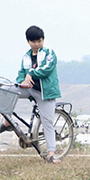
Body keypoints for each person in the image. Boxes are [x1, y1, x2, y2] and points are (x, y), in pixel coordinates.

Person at [15, 25, 62, 163]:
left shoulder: (49, 53)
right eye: (33, 41)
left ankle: (51, 153)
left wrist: (31, 73)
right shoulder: (26, 57)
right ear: (28, 42)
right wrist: (22, 81)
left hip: (45, 93)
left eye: (39, 41)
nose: (37, 44)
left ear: (43, 40)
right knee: (10, 92)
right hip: (30, 89)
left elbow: (46, 69)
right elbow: (21, 74)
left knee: (47, 122)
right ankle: (6, 122)